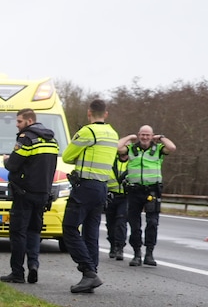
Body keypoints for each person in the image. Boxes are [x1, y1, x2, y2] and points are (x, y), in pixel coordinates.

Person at [61, 99, 119, 294]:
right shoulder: (113, 134)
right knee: (91, 232)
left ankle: (88, 272)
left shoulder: (87, 132)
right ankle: (91, 273)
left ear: (89, 113)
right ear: (106, 114)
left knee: (69, 227)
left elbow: (67, 157)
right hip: (102, 187)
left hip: (85, 186)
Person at [0, 109, 58, 284]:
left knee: (18, 232)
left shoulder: (26, 138)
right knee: (34, 231)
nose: (17, 125)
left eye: (19, 121)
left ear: (29, 120)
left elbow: (13, 164)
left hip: (24, 193)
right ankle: (33, 264)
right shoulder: (52, 140)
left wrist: (6, 160)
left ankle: (17, 272)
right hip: (43, 193)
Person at [118, 126, 177, 266]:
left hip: (152, 191)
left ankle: (149, 253)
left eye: (147, 135)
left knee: (152, 223)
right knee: (134, 224)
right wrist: (128, 137)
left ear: (152, 136)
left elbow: (172, 147)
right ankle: (136, 254)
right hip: (134, 191)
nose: (145, 137)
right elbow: (117, 147)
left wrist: (161, 137)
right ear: (139, 135)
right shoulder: (132, 149)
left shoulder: (158, 149)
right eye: (142, 135)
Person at [104, 155, 129, 260]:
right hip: (111, 196)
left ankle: (120, 247)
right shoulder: (111, 161)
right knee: (110, 223)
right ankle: (112, 245)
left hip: (125, 197)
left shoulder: (133, 163)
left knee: (121, 222)